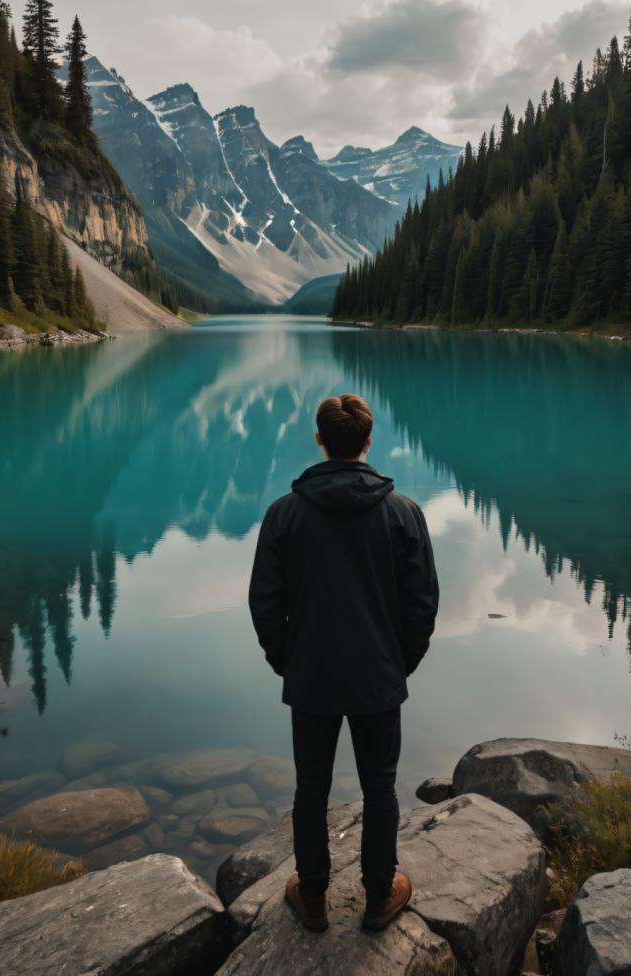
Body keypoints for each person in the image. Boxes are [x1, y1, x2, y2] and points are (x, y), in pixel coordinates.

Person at [248, 392, 439, 933]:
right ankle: (381, 895)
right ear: (368, 442)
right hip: (379, 675)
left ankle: (312, 897)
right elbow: (422, 602)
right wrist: (400, 662)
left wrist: (287, 660)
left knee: (311, 787)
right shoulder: (403, 513)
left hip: (310, 676)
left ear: (319, 440)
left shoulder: (284, 514)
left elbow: (265, 600)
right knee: (380, 785)